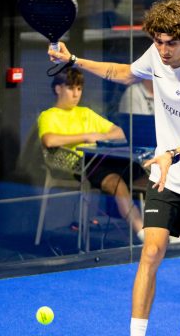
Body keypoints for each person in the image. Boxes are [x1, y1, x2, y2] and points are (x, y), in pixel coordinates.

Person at [48, 0, 180, 336]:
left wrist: (170, 155)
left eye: (171, 43)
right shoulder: (156, 55)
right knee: (151, 251)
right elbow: (123, 73)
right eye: (158, 41)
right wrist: (74, 61)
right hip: (169, 177)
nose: (163, 50)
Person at [38, 68, 147, 241]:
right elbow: (49, 140)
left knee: (149, 176)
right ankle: (143, 233)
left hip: (105, 158)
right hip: (79, 164)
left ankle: (165, 231)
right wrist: (86, 136)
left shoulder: (85, 113)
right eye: (71, 88)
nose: (76, 94)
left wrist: (101, 137)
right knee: (115, 183)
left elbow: (120, 132)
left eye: (79, 89)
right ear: (58, 89)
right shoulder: (49, 115)